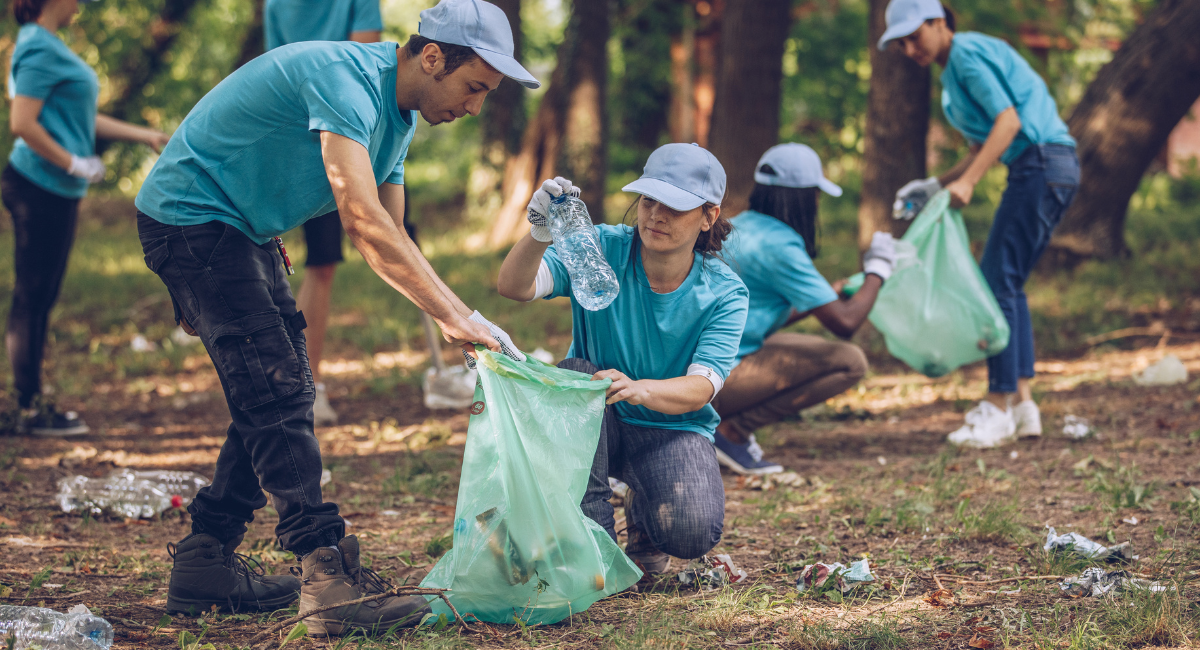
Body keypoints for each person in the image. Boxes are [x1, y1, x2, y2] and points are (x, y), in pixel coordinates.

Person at [134, 0, 536, 635]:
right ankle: (327, 578)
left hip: (240, 228)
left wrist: (462, 317)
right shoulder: (346, 79)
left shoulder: (397, 122)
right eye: (475, 87)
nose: (475, 106)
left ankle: (205, 560)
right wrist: (452, 319)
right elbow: (361, 220)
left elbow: (395, 234)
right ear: (433, 57)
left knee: (278, 383)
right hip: (191, 217)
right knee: (275, 388)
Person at [497, 143, 749, 576]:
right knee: (575, 373)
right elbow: (515, 287)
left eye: (675, 206)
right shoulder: (598, 248)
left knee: (692, 532)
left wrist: (640, 388)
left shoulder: (725, 293)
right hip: (598, 418)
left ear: (709, 216)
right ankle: (594, 545)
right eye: (650, 200)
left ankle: (644, 513)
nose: (656, 215)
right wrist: (539, 234)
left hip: (671, 430)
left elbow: (701, 388)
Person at [880, 0, 1080, 448]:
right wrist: (934, 184)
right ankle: (1024, 405)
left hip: (1040, 163)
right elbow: (980, 146)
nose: (911, 48)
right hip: (1049, 166)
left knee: (994, 283)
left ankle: (996, 405)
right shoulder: (952, 75)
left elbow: (1009, 123)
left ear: (938, 22)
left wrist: (968, 184)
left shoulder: (966, 54)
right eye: (903, 42)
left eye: (916, 35)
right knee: (1009, 284)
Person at [4, 0, 169, 436]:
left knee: (40, 296)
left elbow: (79, 116)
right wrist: (72, 162)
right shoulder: (38, 47)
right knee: (33, 296)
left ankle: (28, 403)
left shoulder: (44, 44)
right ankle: (27, 409)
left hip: (52, 188)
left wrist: (144, 136)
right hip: (39, 186)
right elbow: (22, 121)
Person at [712, 144, 896, 474]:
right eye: (816, 195)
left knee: (804, 349)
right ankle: (731, 432)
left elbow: (760, 311)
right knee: (849, 361)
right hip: (715, 378)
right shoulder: (781, 245)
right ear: (803, 197)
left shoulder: (741, 226)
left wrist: (828, 294)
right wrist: (878, 271)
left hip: (703, 362)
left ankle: (724, 431)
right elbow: (845, 322)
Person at [263, 0, 385, 426]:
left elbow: (364, 58)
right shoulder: (278, 4)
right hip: (308, 135)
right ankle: (297, 384)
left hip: (345, 128)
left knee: (325, 262)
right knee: (292, 259)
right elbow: (279, 69)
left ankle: (306, 383)